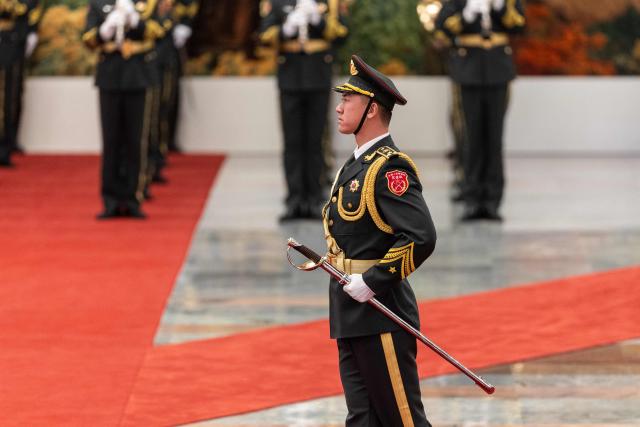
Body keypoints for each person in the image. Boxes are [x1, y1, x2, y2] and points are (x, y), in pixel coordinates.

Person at [325, 54, 437, 427]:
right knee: (363, 419)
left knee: (402, 419)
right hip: (350, 310)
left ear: (372, 109)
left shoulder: (389, 167)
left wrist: (372, 281)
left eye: (349, 100)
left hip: (380, 312)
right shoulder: (356, 163)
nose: (339, 108)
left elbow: (421, 236)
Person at [435, 0, 525, 221]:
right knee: (472, 138)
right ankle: (472, 199)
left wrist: (500, 7)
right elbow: (442, 26)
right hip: (469, 70)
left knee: (494, 139)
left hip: (498, 69)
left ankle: (492, 200)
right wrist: (466, 15)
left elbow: (519, 25)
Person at [259, 0, 348, 221]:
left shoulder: (328, 3)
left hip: (318, 75)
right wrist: (285, 29)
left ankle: (315, 198)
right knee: (293, 142)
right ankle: (294, 199)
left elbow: (342, 33)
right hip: (290, 76)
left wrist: (319, 21)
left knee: (315, 141)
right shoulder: (278, 2)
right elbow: (264, 34)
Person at [82, 0, 166, 218]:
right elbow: (87, 38)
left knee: (136, 140)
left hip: (139, 74)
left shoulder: (148, 3)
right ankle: (110, 199)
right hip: (110, 74)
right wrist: (104, 31)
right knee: (111, 140)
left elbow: (158, 31)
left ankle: (133, 197)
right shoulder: (99, 4)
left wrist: (136, 22)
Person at [0, 0, 40, 167]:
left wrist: (31, 32)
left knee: (11, 97)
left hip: (13, 42)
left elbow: (28, 8)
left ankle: (6, 145)